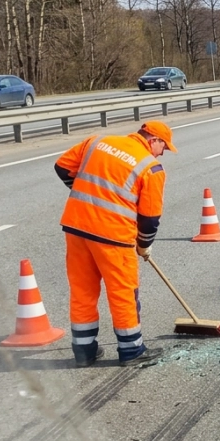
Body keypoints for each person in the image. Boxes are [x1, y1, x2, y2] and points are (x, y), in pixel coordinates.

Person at [54, 121, 175, 367]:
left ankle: (84, 351)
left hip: (77, 227)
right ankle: (131, 350)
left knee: (82, 291)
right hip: (114, 237)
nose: (163, 153)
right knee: (123, 293)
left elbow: (63, 168)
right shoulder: (151, 168)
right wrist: (144, 244)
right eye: (164, 146)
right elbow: (150, 218)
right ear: (153, 140)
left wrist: (86, 196)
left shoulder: (98, 141)